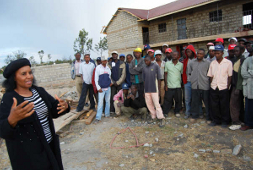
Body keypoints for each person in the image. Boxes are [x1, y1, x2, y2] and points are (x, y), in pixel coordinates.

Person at [0, 58, 70, 170]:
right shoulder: (9, 99)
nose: (29, 76)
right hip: (29, 156)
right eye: (23, 74)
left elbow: (53, 111)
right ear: (14, 78)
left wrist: (65, 106)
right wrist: (11, 120)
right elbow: (3, 131)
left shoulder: (39, 91)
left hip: (49, 147)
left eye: (30, 72)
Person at [207, 45, 233, 127]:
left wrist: (227, 87)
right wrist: (212, 84)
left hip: (223, 88)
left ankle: (225, 121)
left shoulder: (228, 63)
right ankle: (216, 120)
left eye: (218, 53)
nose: (216, 55)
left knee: (224, 105)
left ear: (222, 53)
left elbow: (230, 76)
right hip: (214, 87)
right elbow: (210, 76)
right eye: (215, 53)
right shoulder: (212, 63)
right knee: (214, 105)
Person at [188, 49, 211, 123]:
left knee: (207, 103)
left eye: (201, 54)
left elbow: (210, 74)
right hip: (195, 85)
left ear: (204, 55)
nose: (199, 55)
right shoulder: (192, 62)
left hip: (205, 85)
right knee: (195, 102)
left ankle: (208, 118)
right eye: (198, 53)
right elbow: (189, 72)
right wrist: (192, 80)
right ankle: (195, 116)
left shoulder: (208, 63)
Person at [143, 56, 166, 127]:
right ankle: (153, 116)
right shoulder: (144, 68)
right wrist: (144, 90)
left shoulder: (155, 66)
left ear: (150, 60)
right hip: (147, 90)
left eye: (147, 61)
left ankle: (161, 118)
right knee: (149, 104)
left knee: (157, 104)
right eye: (145, 61)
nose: (146, 62)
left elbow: (159, 78)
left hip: (154, 89)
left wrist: (158, 89)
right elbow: (144, 80)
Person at [229, 46, 245, 130]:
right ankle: (240, 120)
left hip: (237, 86)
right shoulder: (236, 60)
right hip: (235, 86)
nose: (235, 53)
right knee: (239, 104)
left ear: (242, 51)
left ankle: (236, 122)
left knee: (233, 104)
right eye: (234, 51)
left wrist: (238, 88)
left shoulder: (242, 60)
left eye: (237, 51)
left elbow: (241, 76)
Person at [163, 52, 183, 117]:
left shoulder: (181, 65)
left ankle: (177, 111)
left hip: (178, 86)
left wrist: (182, 84)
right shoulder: (167, 63)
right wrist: (166, 85)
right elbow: (165, 74)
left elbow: (182, 74)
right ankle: (165, 112)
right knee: (167, 100)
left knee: (178, 100)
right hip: (169, 86)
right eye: (173, 54)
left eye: (175, 54)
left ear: (178, 56)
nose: (174, 56)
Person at [94, 56, 113, 124]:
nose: (104, 62)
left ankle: (107, 114)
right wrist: (98, 88)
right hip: (101, 89)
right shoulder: (98, 68)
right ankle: (98, 117)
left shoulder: (108, 68)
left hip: (108, 88)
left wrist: (111, 83)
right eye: (103, 60)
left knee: (107, 101)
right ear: (101, 61)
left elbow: (109, 77)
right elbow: (96, 79)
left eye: (105, 60)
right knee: (100, 103)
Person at [182, 44, 197, 119]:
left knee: (195, 99)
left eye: (190, 52)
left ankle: (196, 113)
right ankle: (187, 112)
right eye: (187, 52)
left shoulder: (197, 60)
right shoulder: (185, 61)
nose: (188, 53)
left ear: (193, 52)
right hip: (187, 82)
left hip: (195, 82)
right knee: (187, 99)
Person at [240, 52, 253, 131]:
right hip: (249, 88)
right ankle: (248, 124)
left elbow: (247, 73)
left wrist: (250, 71)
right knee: (249, 107)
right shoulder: (248, 60)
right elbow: (243, 73)